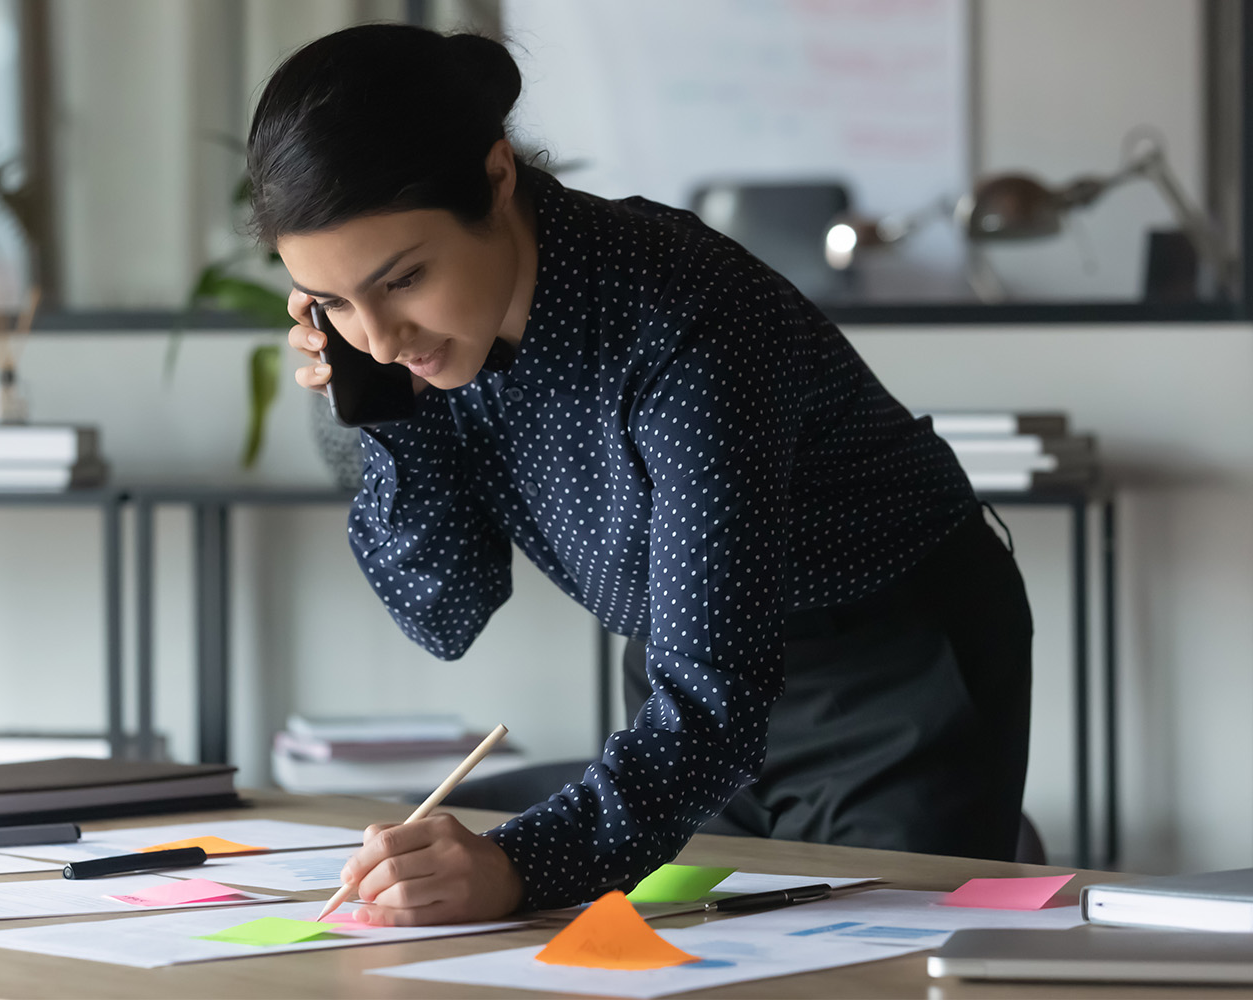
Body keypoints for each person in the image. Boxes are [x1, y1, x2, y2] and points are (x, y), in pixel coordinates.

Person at [247, 23, 1033, 926]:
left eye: (404, 278)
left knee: (867, 969)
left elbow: (715, 706)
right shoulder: (404, 353)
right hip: (686, 681)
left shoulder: (687, 316)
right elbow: (443, 610)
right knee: (681, 966)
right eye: (335, 303)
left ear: (497, 180)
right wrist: (379, 407)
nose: (382, 336)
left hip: (890, 662)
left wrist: (511, 866)